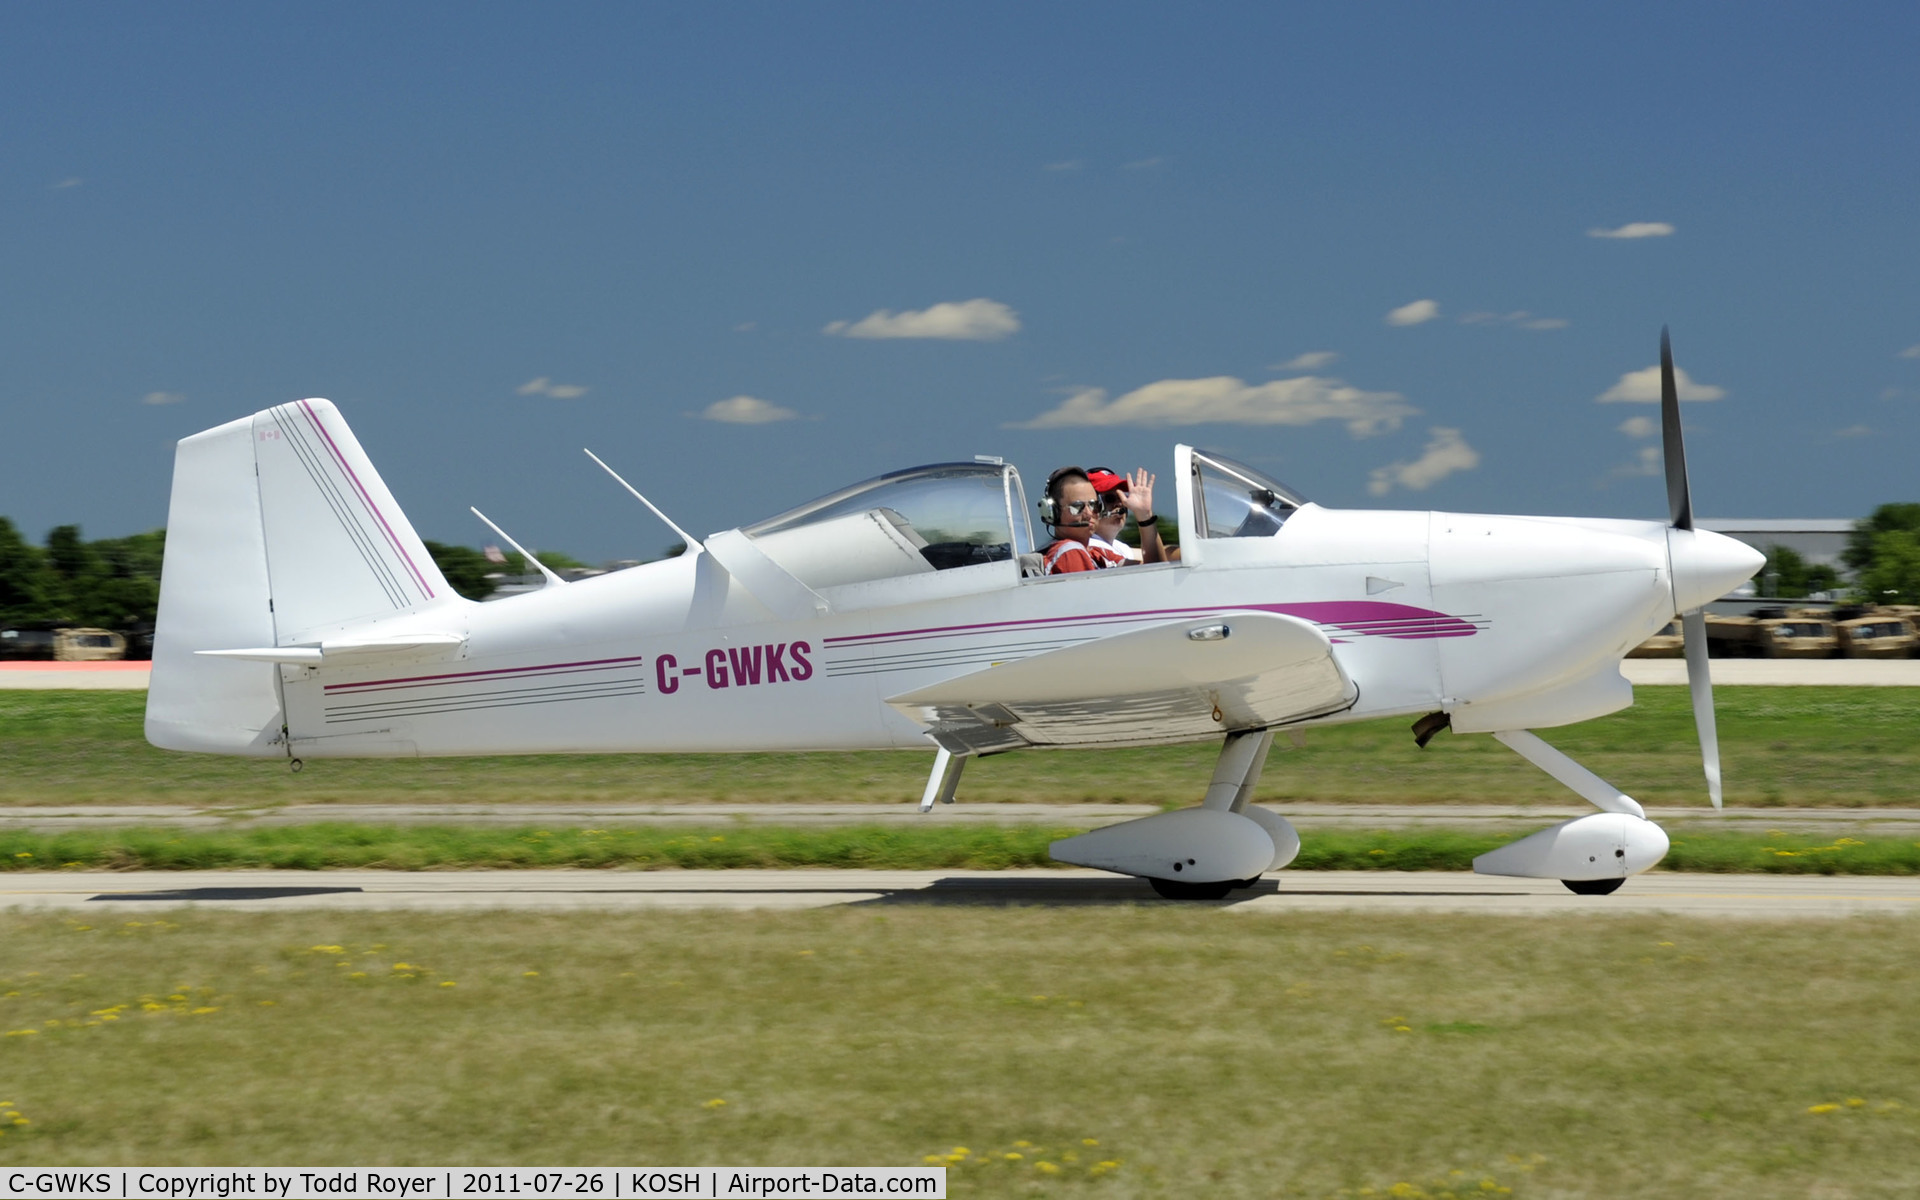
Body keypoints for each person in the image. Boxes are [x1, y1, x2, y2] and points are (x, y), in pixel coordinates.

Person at [1085, 467, 1167, 566]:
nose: (1120, 503)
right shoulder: (1092, 547)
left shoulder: (1120, 547)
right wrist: (1144, 517)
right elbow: (1155, 568)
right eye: (1110, 498)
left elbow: (1166, 553)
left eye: (1122, 497)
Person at [1038, 466, 1104, 573]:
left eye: (1093, 505)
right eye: (1077, 507)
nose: (1089, 513)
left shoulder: (1096, 552)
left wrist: (1141, 518)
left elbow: (1140, 571)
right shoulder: (1069, 552)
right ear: (1053, 512)